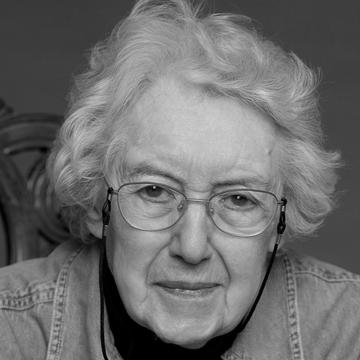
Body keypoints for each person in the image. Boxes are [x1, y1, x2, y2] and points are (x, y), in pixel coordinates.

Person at [1, 0, 360, 359]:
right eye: (154, 191)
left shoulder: (347, 331)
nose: (191, 248)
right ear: (98, 205)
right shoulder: (10, 329)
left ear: (279, 225)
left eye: (239, 199)